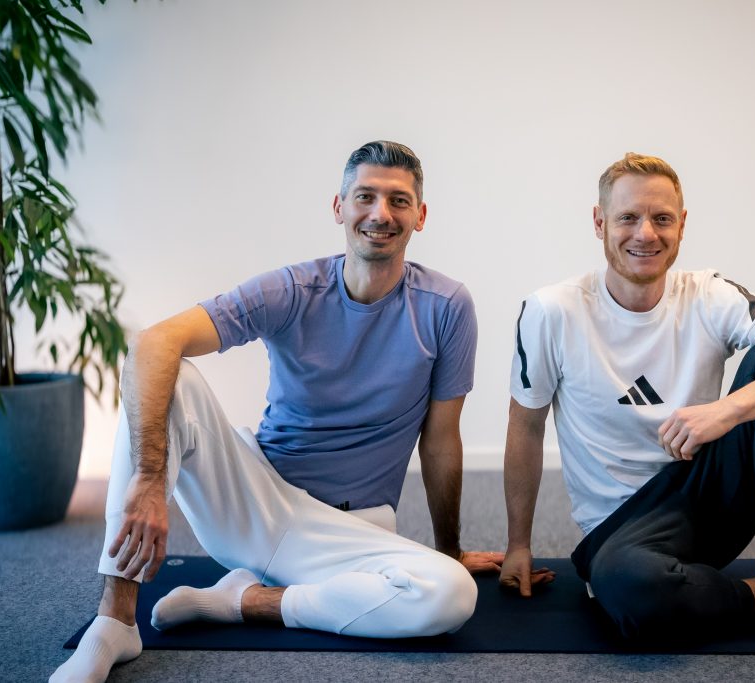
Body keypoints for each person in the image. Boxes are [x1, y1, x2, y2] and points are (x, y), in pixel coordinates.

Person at [52, 141, 502, 683]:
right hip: (256, 504)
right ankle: (116, 622)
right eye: (365, 196)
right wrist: (150, 478)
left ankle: (243, 600)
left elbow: (441, 440)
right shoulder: (293, 289)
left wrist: (449, 549)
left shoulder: (447, 307)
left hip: (347, 529)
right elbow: (152, 343)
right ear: (339, 207)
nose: (381, 214)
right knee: (168, 376)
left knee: (451, 595)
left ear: (420, 216)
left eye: (399, 201)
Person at [498, 152, 755, 661]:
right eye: (627, 218)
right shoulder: (553, 310)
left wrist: (725, 412)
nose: (646, 233)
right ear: (599, 223)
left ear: (682, 225)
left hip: (708, 489)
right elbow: (525, 427)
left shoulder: (708, 293)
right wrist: (519, 547)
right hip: (622, 530)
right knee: (628, 591)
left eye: (662, 219)